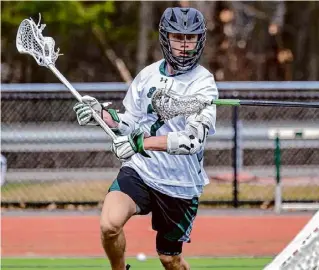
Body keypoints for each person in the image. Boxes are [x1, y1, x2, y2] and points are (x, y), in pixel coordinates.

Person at [73, 7, 218, 270]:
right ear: (165, 38)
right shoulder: (148, 75)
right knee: (109, 226)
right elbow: (129, 122)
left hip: (179, 184)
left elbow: (192, 141)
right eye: (178, 37)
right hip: (141, 170)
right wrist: (103, 116)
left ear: (200, 40)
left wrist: (140, 143)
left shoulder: (203, 84)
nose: (184, 45)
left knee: (169, 259)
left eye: (190, 38)